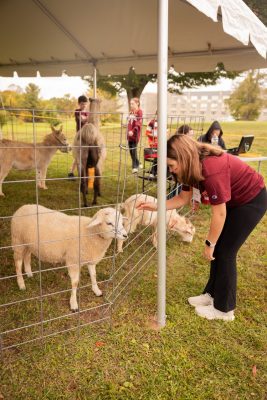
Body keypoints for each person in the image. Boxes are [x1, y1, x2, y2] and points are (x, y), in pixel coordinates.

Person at [138, 134, 266, 321]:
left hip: (251, 201)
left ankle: (224, 310)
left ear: (183, 158)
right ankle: (211, 295)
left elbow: (219, 214)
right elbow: (182, 198)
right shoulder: (190, 166)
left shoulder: (212, 170)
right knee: (220, 251)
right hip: (234, 202)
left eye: (172, 165)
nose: (171, 170)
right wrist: (157, 205)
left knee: (225, 252)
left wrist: (209, 243)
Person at [68, 95, 89, 179]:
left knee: (83, 155)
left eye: (85, 104)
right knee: (78, 155)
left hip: (86, 136)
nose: (84, 105)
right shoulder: (77, 111)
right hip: (79, 136)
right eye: (82, 104)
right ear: (79, 104)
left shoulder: (87, 112)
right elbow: (82, 120)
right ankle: (72, 172)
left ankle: (72, 171)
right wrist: (90, 117)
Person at [127, 97, 143, 173]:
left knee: (134, 150)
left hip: (135, 134)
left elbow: (138, 123)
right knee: (131, 151)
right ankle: (138, 163)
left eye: (132, 103)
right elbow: (129, 122)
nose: (131, 105)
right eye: (130, 104)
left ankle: (134, 167)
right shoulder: (131, 112)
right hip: (129, 134)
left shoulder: (139, 112)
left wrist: (133, 131)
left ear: (137, 103)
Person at [145, 113, 158, 177]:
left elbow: (166, 133)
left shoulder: (164, 122)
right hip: (153, 143)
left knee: (159, 157)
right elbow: (147, 133)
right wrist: (155, 136)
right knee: (157, 156)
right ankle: (153, 173)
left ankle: (154, 172)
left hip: (162, 143)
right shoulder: (151, 122)